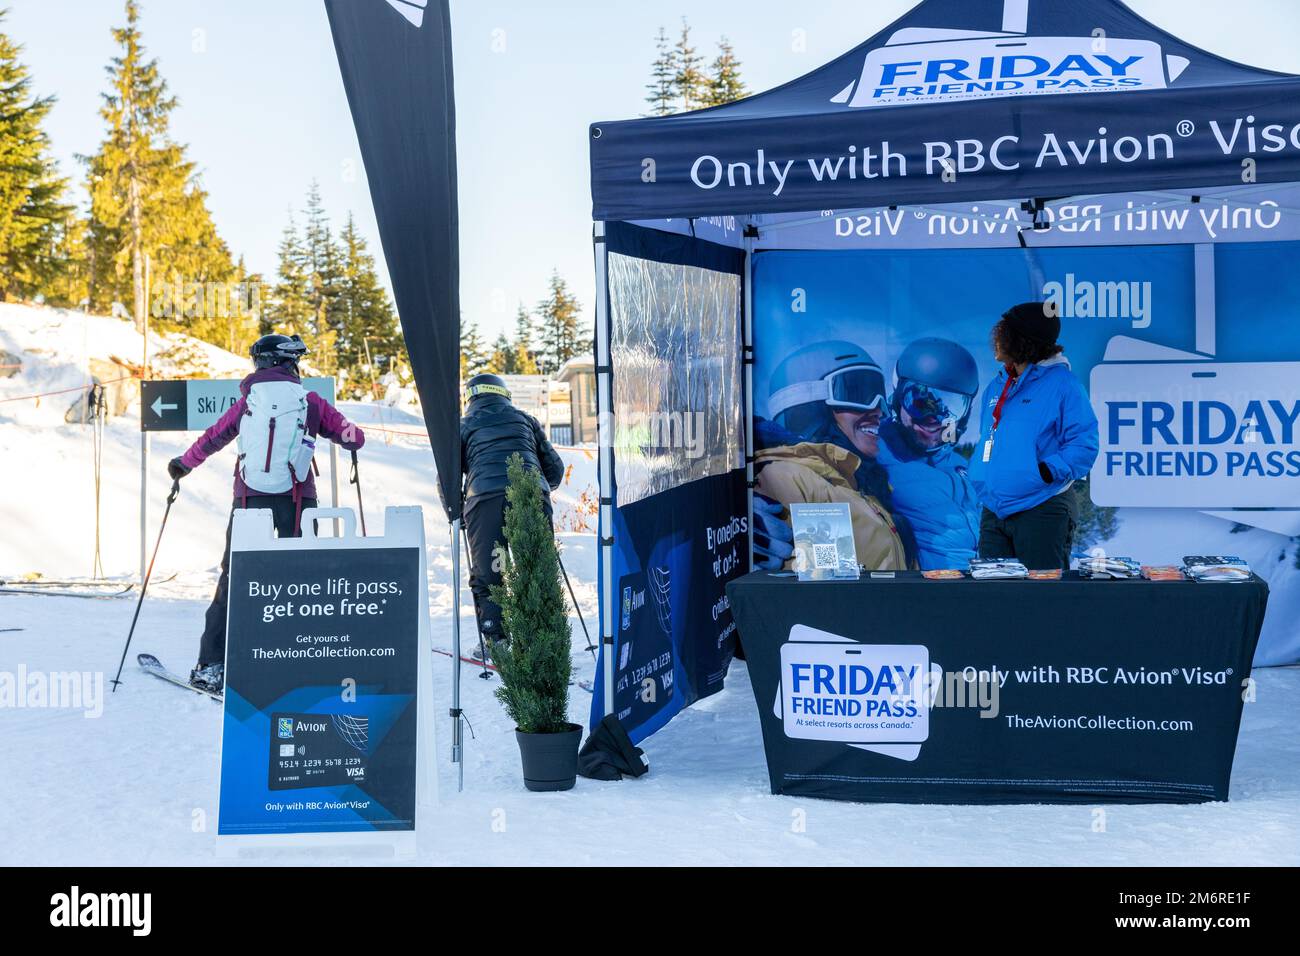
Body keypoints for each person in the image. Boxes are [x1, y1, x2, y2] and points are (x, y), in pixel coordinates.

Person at [167, 333, 366, 693]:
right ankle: (293, 663)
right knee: (300, 583)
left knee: (233, 582)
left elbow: (213, 437)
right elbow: (354, 436)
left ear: (260, 364)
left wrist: (183, 464)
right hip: (298, 503)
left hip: (249, 503)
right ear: (290, 364)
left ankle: (211, 666)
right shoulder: (311, 401)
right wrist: (346, 434)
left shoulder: (247, 401)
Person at [752, 341, 911, 572]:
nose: (878, 410)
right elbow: (823, 589)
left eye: (879, 395)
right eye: (858, 392)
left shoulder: (858, 485)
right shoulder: (789, 478)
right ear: (808, 407)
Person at [968, 302, 1099, 570]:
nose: (997, 337)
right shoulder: (997, 385)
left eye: (1004, 332)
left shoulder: (1064, 385)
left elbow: (1083, 445)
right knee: (991, 600)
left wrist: (1046, 471)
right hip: (994, 510)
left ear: (1023, 340)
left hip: (1042, 509)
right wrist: (980, 475)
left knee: (1042, 603)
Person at [460, 372, 565, 657]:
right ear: (504, 394)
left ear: (470, 398)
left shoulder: (465, 424)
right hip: (532, 492)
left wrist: (454, 509)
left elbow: (446, 475)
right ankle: (546, 637)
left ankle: (496, 639)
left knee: (491, 569)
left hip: (486, 499)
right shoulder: (525, 419)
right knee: (537, 564)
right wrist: (542, 487)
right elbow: (555, 469)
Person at [876, 337, 982, 570]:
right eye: (918, 402)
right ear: (898, 397)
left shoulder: (958, 466)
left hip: (974, 590)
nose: (934, 419)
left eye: (952, 408)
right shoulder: (875, 458)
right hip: (925, 593)